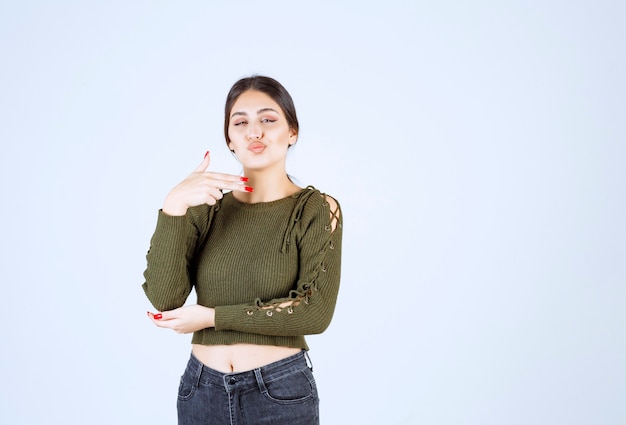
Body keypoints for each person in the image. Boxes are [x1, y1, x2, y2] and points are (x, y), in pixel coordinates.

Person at [142, 75, 343, 424]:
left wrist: (212, 317)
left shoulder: (317, 209)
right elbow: (165, 299)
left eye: (268, 119)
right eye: (241, 122)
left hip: (279, 392)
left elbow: (314, 311)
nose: (254, 132)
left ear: (292, 132)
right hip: (201, 390)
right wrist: (173, 206)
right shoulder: (205, 208)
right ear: (230, 139)